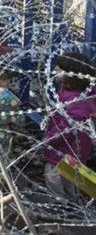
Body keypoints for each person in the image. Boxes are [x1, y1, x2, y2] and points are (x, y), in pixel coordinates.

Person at [44, 52, 96, 198]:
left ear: (71, 75)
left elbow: (66, 127)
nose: (55, 70)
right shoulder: (81, 92)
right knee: (69, 176)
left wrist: (49, 138)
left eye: (59, 69)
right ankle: (71, 203)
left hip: (64, 148)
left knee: (53, 175)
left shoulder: (75, 101)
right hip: (76, 149)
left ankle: (58, 204)